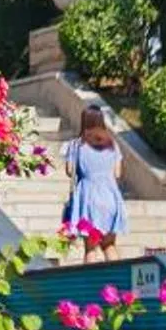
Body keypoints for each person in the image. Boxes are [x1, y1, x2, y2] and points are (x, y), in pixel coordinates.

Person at [63, 105, 127, 248]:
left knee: (91, 249)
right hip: (111, 197)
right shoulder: (112, 145)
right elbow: (117, 173)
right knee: (109, 247)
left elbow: (69, 170)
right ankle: (116, 271)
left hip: (88, 199)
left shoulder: (76, 145)